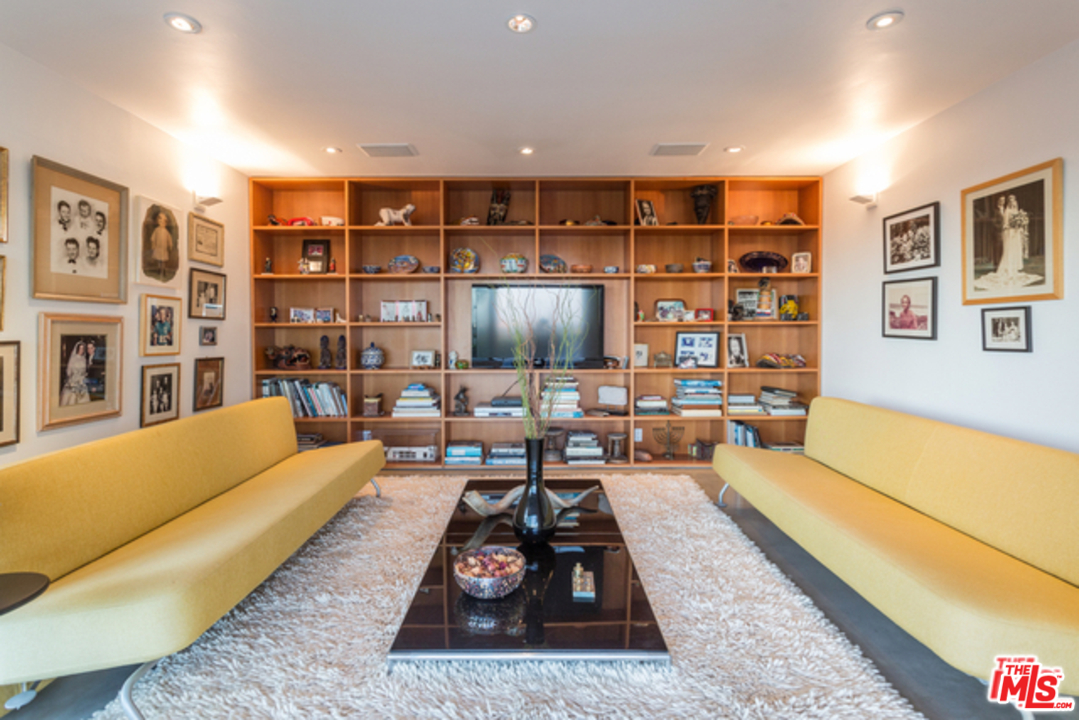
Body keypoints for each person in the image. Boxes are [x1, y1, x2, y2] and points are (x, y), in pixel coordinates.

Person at [59, 341, 90, 406]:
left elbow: (84, 370)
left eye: (83, 349)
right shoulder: (73, 358)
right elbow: (68, 370)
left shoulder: (84, 359)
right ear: (77, 349)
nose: (81, 350)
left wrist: (83, 376)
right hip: (73, 378)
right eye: (80, 348)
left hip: (81, 379)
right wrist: (72, 377)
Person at [149, 210, 174, 278]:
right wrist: (153, 245)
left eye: (163, 222)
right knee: (158, 259)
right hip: (158, 248)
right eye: (160, 221)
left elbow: (169, 239)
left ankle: (163, 269)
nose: (162, 223)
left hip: (163, 249)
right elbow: (153, 238)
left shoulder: (166, 232)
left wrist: (170, 245)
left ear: (165, 223)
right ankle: (159, 269)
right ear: (158, 222)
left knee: (163, 260)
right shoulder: (157, 230)